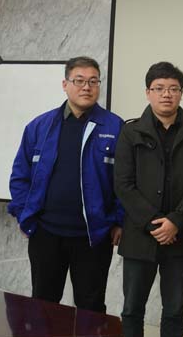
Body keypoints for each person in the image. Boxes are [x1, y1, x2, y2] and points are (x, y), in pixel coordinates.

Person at [114, 62, 183, 337]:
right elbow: (123, 184)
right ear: (148, 92)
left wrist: (176, 221)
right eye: (159, 88)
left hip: (179, 236)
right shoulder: (130, 131)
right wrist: (155, 223)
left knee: (174, 311)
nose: (166, 94)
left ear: (181, 93)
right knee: (132, 309)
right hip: (139, 236)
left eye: (173, 88)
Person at [8, 56, 124, 312]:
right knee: (43, 304)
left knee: (91, 308)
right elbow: (20, 176)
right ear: (65, 84)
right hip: (46, 234)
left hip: (93, 236)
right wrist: (24, 214)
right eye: (79, 81)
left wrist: (118, 221)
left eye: (93, 81)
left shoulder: (115, 127)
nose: (87, 87)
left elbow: (124, 180)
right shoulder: (40, 126)